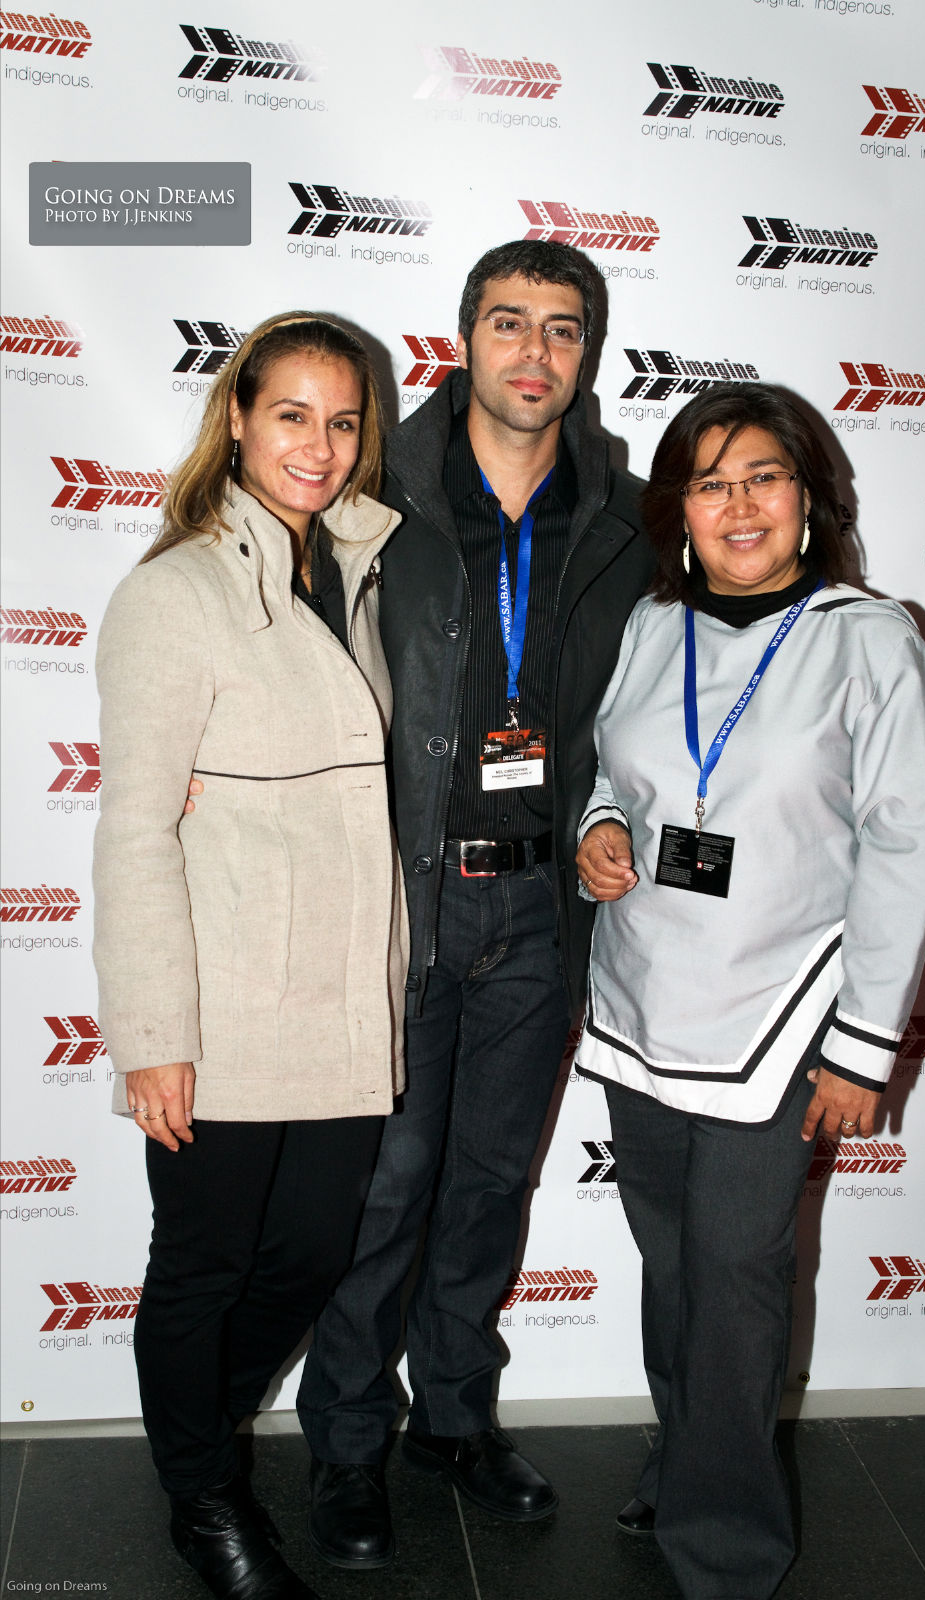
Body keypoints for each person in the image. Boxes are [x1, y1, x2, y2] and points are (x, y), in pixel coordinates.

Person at [293, 241, 655, 1568]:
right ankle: (344, 1446)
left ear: (585, 355)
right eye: (507, 324)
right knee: (384, 1190)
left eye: (562, 331)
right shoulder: (376, 490)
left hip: (539, 913)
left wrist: (608, 823)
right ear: (462, 341)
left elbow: (633, 717)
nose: (533, 354)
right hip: (401, 903)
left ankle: (449, 1419)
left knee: (489, 1185)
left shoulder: (618, 512)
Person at [573, 382, 925, 1600]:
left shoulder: (868, 638)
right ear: (677, 507)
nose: (737, 503)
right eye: (709, 480)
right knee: (670, 1259)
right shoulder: (650, 627)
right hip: (640, 993)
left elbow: (906, 841)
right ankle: (688, 1457)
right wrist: (595, 830)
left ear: (807, 500)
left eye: (762, 478)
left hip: (782, 1006)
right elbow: (608, 773)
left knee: (736, 1275)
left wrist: (862, 1046)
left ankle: (726, 1545)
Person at [93, 312, 407, 1600]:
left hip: (340, 998)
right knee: (204, 1265)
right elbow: (131, 829)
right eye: (293, 415)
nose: (319, 447)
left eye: (342, 422)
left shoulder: (364, 565)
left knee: (316, 1251)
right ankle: (202, 1498)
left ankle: (188, 1432)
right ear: (238, 417)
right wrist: (152, 1033)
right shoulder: (174, 592)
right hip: (220, 1006)